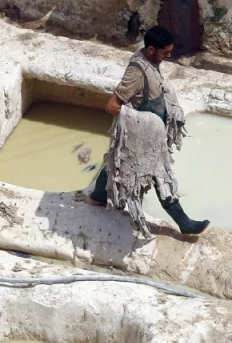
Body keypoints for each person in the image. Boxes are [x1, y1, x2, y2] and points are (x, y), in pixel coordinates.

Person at [88, 26, 210, 237]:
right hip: (142, 137)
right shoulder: (136, 72)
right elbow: (112, 106)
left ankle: (99, 195)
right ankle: (185, 224)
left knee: (115, 164)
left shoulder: (150, 61)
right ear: (152, 50)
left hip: (150, 133)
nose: (169, 56)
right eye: (166, 52)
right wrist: (148, 121)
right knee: (161, 176)